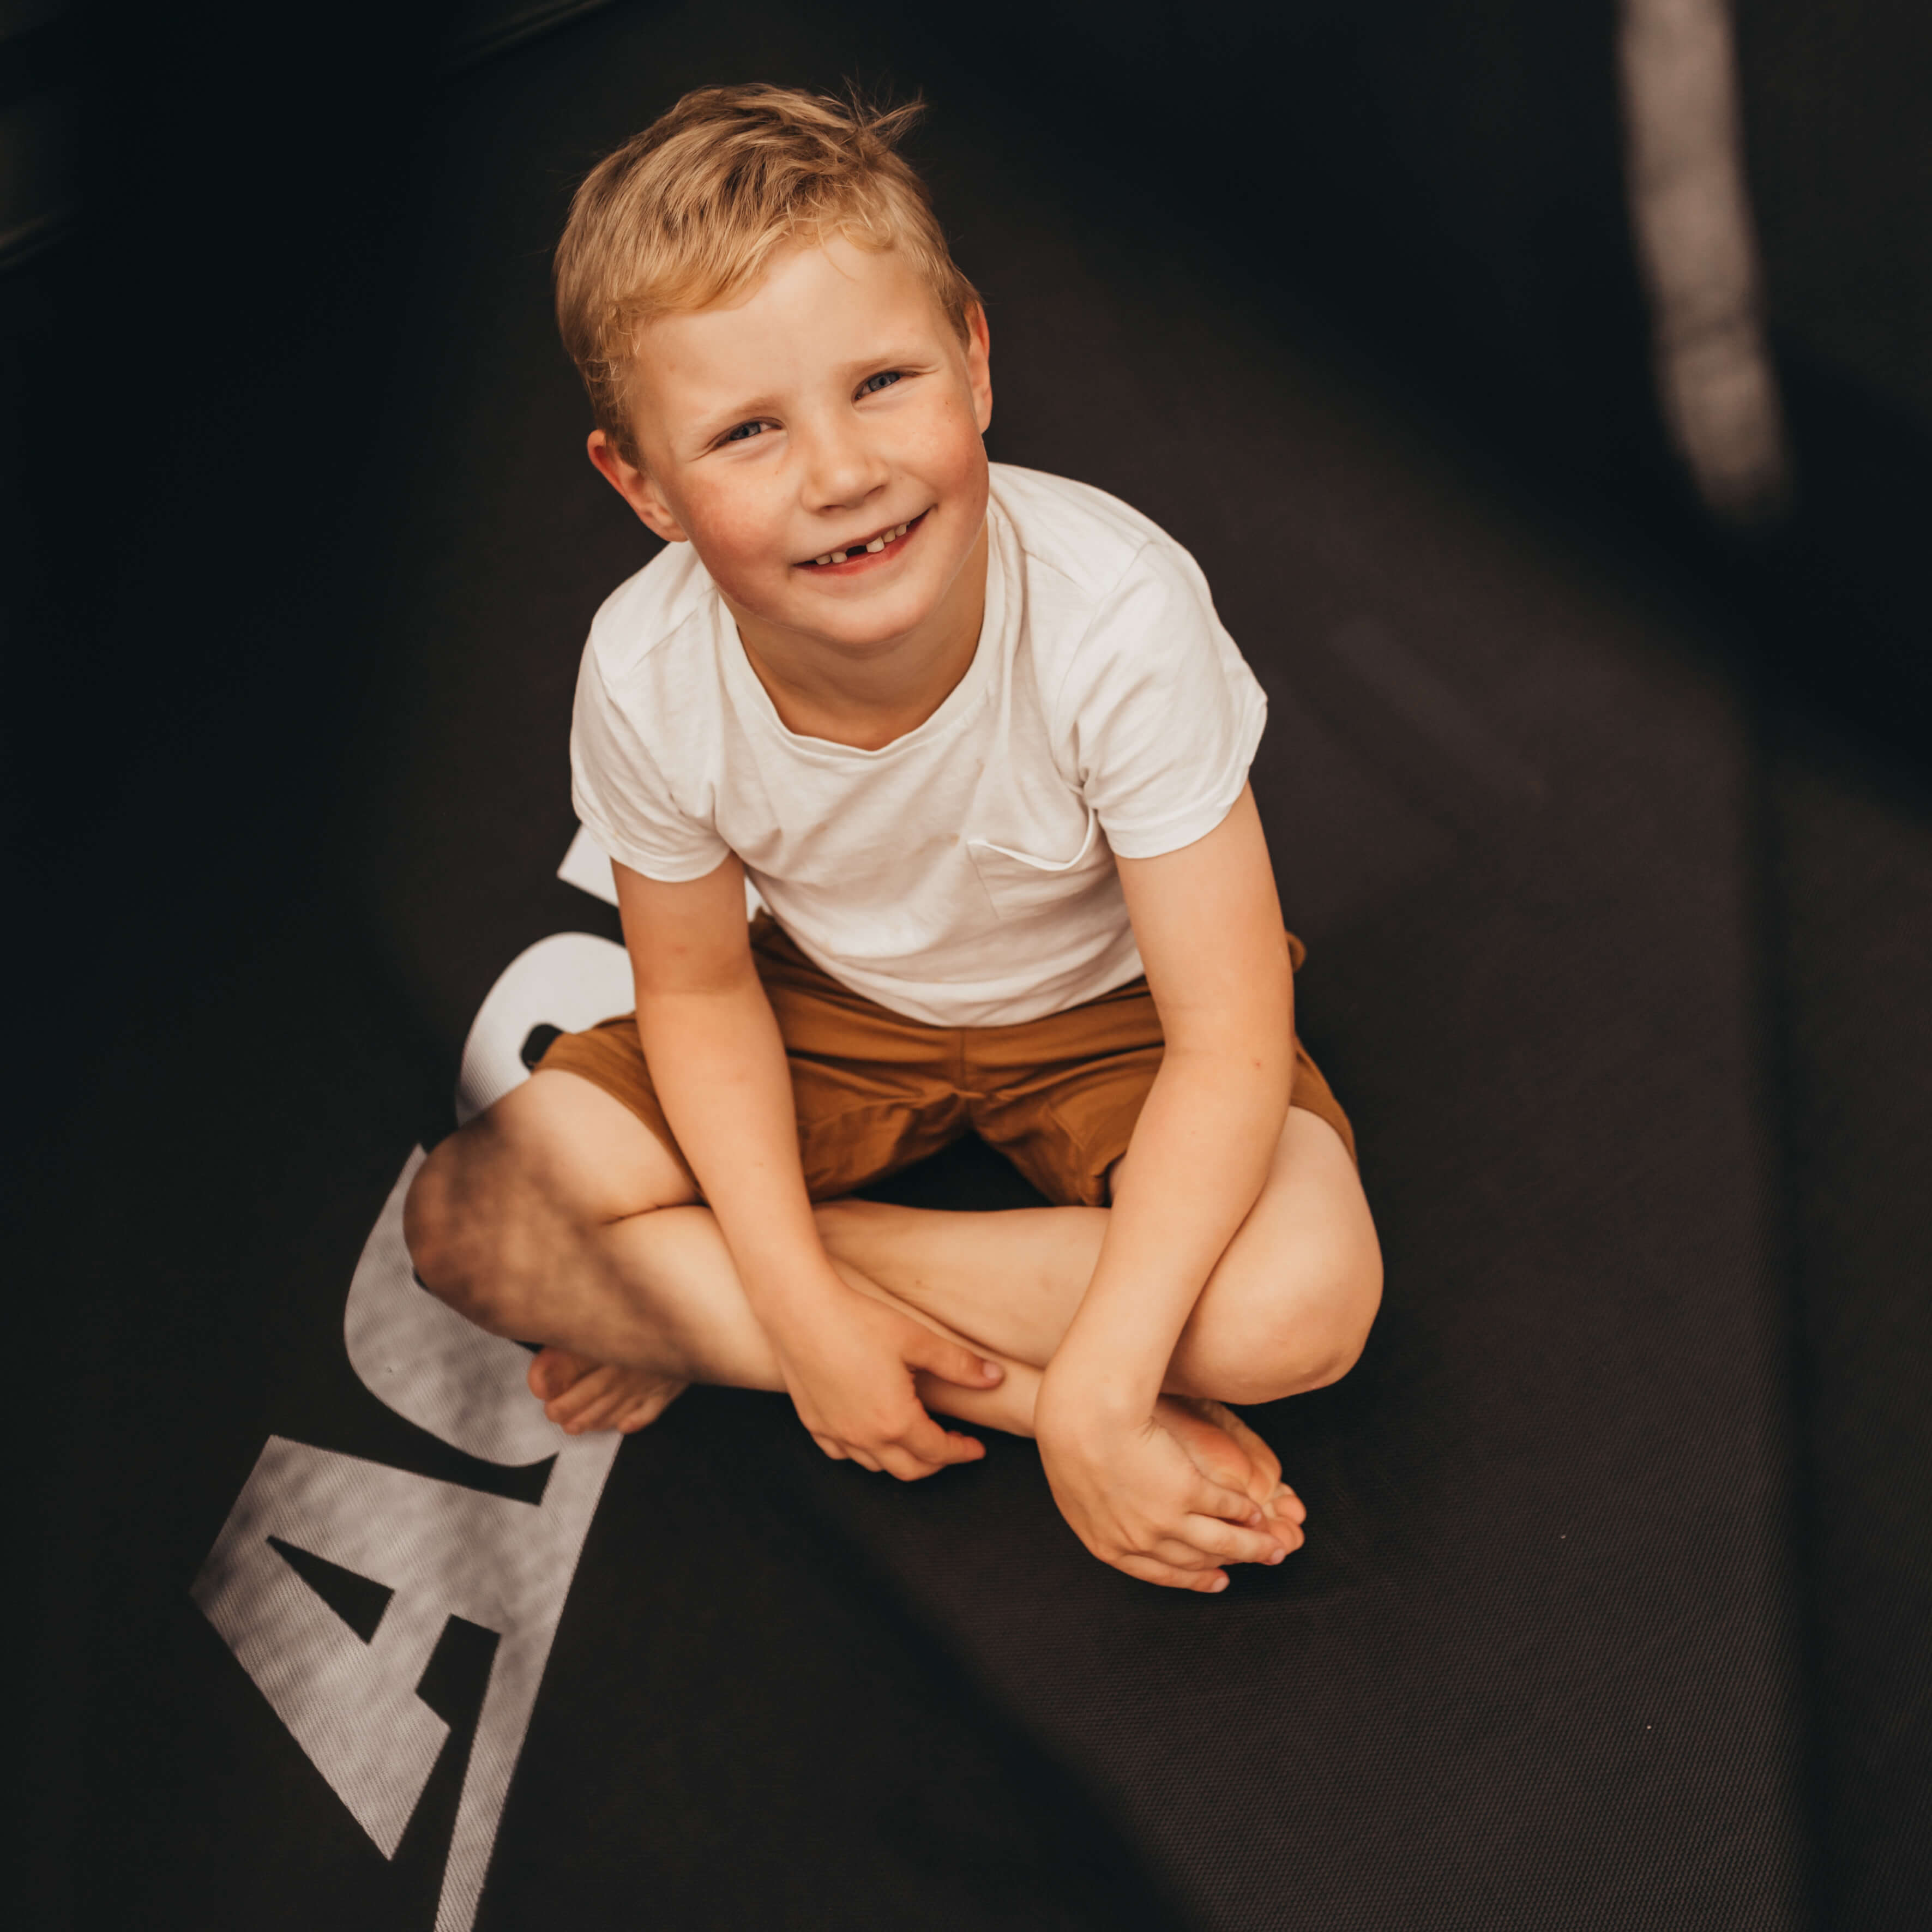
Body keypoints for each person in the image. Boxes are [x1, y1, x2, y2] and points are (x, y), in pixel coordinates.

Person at [405, 82, 1383, 1594]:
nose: (841, 474)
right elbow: (702, 993)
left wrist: (1105, 1375)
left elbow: (1231, 1035)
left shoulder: (1119, 610)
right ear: (642, 485)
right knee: (468, 1223)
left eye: (881, 383)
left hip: (1112, 1017)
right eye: (744, 432)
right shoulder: (648, 669)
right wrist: (954, 1377)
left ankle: (715, 1276)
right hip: (829, 1008)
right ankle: (875, 1328)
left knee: (1300, 1309)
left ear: (976, 361)